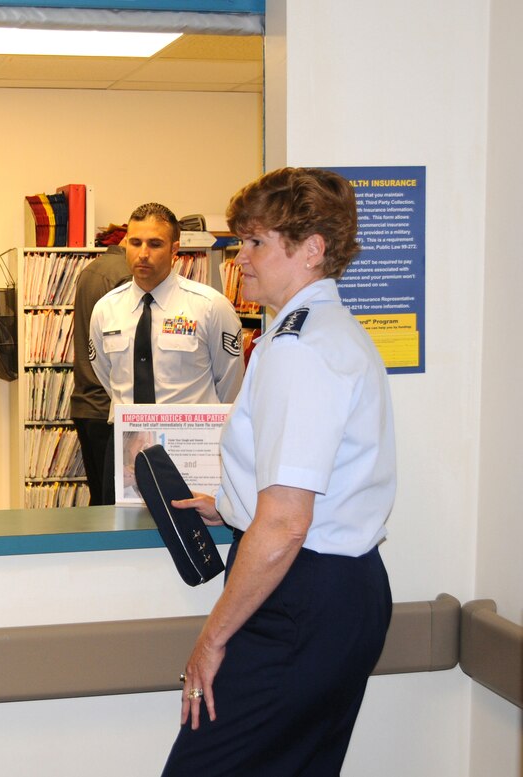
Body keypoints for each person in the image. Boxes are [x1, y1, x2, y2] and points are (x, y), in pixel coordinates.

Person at [162, 167, 395, 776]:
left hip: (299, 598)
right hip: (339, 591)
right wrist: (235, 503)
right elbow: (311, 481)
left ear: (312, 249)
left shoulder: (299, 348)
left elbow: (288, 523)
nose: (241, 258)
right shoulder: (330, 332)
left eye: (256, 242)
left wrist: (212, 639)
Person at [89, 202, 244, 503]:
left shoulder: (209, 306)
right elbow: (107, 377)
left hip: (190, 449)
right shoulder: (106, 309)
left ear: (175, 249)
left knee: (191, 533)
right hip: (125, 448)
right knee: (123, 538)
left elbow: (229, 384)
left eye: (155, 244)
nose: (143, 253)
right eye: (135, 243)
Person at [69, 243, 130, 505]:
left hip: (86, 402)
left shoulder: (90, 270)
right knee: (117, 502)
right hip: (108, 408)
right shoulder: (126, 275)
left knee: (101, 499)